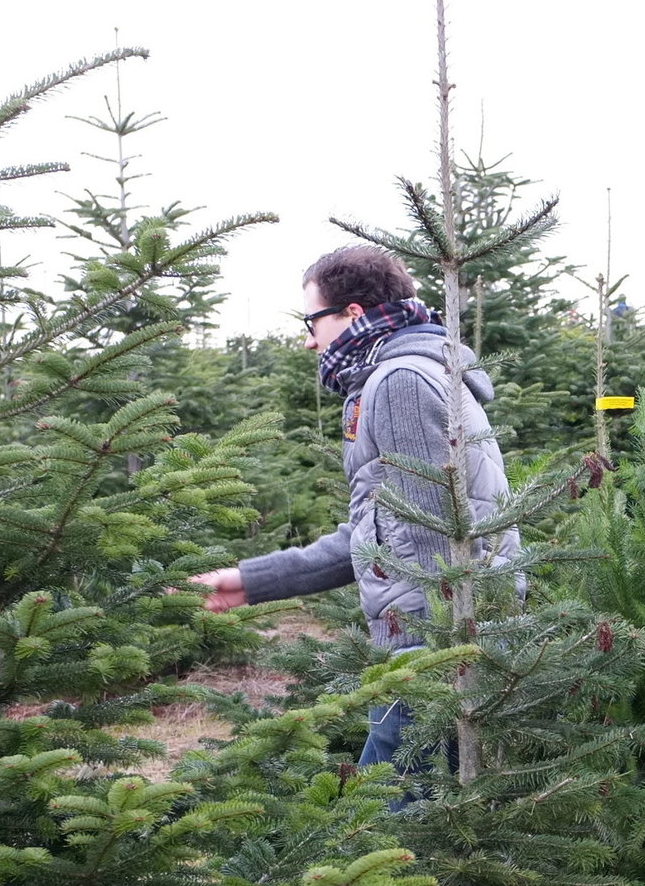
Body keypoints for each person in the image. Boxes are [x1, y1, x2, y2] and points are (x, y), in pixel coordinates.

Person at [180, 244, 518, 771]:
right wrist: (252, 581)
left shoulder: (400, 381)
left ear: (353, 313)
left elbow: (437, 535)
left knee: (394, 824)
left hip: (431, 646)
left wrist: (435, 657)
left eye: (313, 319)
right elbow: (384, 531)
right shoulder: (404, 374)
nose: (310, 338)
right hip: (436, 641)